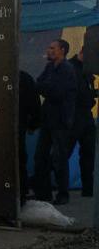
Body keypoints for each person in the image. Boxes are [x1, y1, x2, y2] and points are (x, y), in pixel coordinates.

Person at [33, 39, 78, 205]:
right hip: (47, 120)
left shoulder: (67, 70)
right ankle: (43, 193)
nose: (49, 50)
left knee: (59, 158)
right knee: (41, 156)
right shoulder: (50, 67)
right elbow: (40, 84)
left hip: (60, 121)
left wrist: (46, 87)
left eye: (52, 48)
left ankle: (63, 193)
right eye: (49, 47)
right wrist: (47, 87)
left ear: (62, 50)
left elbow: (57, 92)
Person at [69, 47, 97, 197]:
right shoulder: (70, 68)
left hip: (85, 116)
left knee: (88, 154)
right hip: (74, 117)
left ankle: (88, 188)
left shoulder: (86, 70)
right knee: (62, 154)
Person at [16, 70, 41, 204]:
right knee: (19, 159)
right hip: (18, 126)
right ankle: (21, 195)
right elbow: (35, 104)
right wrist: (33, 125)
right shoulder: (24, 77)